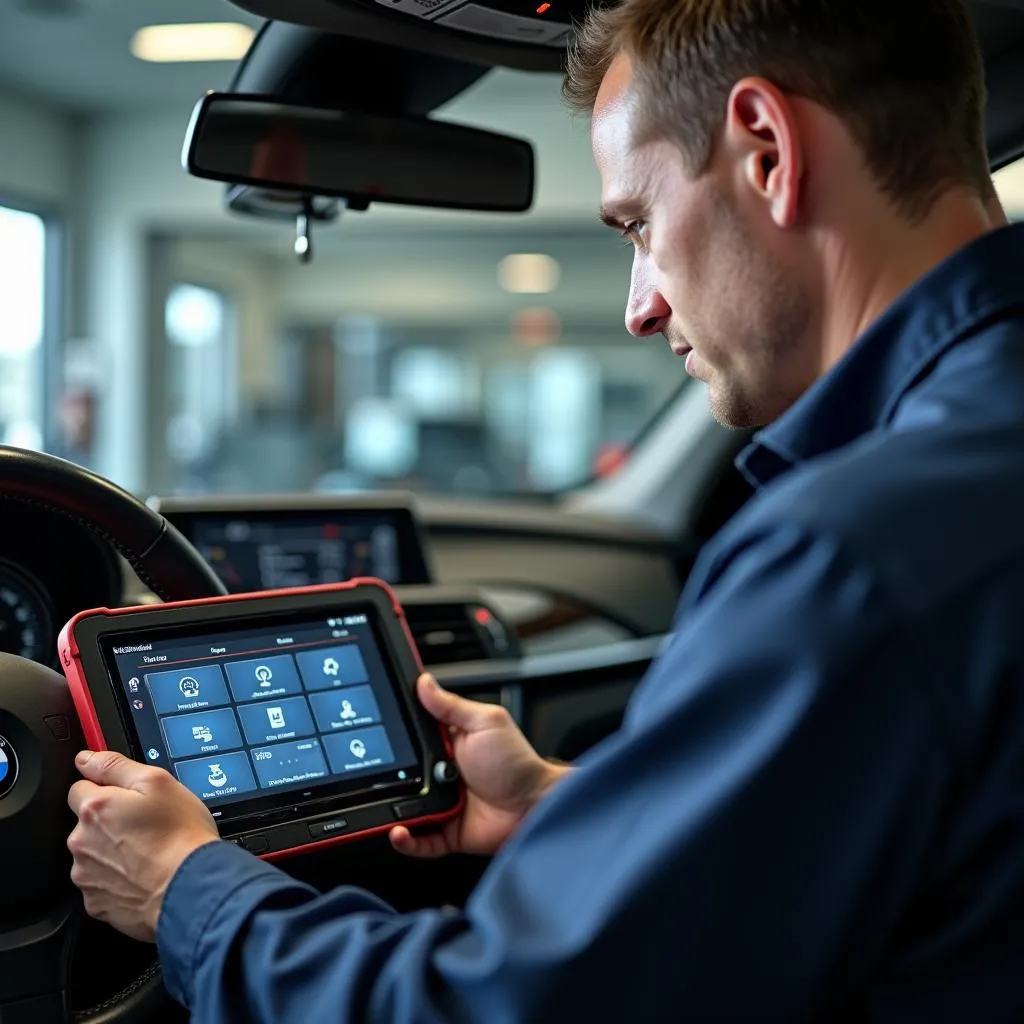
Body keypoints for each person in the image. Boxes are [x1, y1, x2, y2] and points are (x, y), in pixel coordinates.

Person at [67, 0, 1024, 1019]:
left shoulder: (850, 556)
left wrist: (188, 892)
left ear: (766, 150)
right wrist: (580, 811)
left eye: (638, 226)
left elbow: (501, 1006)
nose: (639, 304)